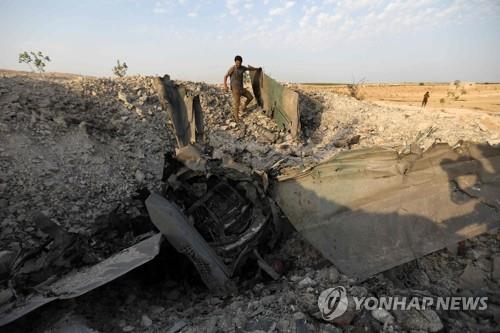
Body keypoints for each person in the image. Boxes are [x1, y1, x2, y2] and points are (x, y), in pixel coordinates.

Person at [223, 55, 260, 122]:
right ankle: (236, 118)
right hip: (235, 89)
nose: (238, 64)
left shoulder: (242, 68)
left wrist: (257, 69)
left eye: (239, 63)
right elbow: (225, 76)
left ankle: (244, 107)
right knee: (237, 103)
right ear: (235, 62)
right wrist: (225, 86)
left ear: (241, 62)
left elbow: (250, 69)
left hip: (241, 88)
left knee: (250, 97)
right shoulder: (232, 69)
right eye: (237, 63)